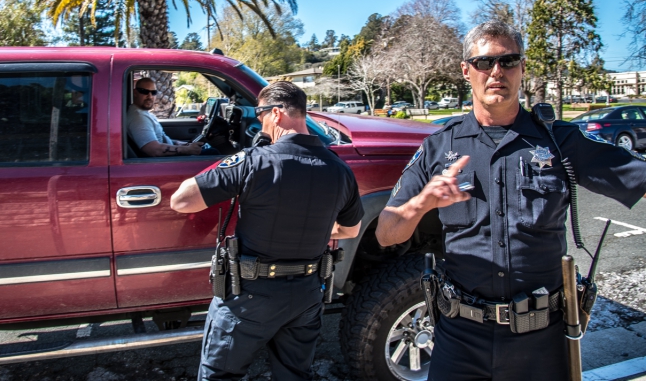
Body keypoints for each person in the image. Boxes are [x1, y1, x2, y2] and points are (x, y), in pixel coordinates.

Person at [375, 20, 646, 381]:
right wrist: (420, 203)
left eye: (509, 61)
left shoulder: (560, 141)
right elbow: (385, 234)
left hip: (542, 341)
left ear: (522, 68)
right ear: (466, 71)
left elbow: (638, 177)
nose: (496, 72)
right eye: (485, 63)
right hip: (460, 338)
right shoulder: (438, 147)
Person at [170, 81, 365, 381]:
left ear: (276, 114)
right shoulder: (340, 170)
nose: (260, 125)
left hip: (250, 297)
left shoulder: (254, 161)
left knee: (220, 376)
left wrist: (234, 165)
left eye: (260, 116)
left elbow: (181, 200)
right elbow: (350, 231)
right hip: (306, 294)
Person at [127, 77, 204, 156]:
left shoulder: (144, 113)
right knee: (213, 152)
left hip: (166, 159)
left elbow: (161, 139)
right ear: (135, 93)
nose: (150, 96)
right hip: (162, 163)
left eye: (153, 92)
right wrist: (187, 150)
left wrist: (183, 144)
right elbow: (154, 150)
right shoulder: (138, 118)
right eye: (144, 91)